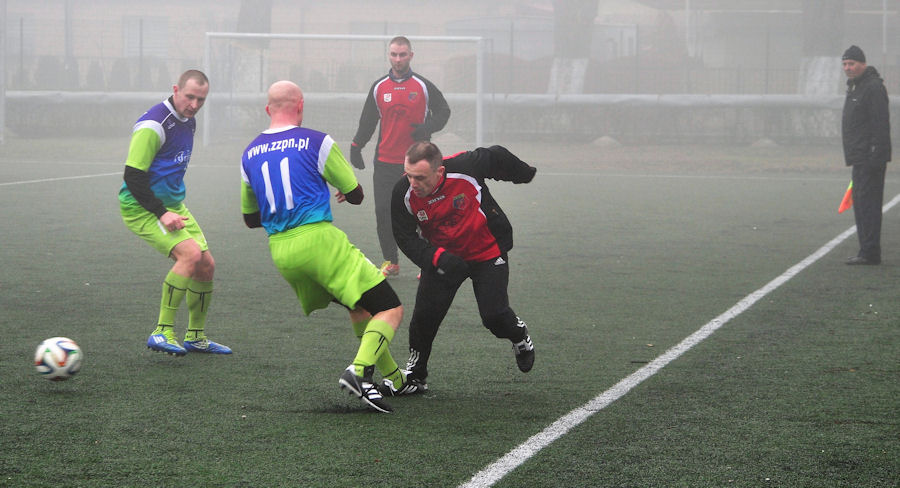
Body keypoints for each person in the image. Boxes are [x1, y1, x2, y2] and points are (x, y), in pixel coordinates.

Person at [240, 80, 418, 413]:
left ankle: (395, 378)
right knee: (390, 309)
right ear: (300, 105)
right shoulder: (316, 141)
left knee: (359, 306)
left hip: (281, 252)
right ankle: (359, 372)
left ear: (267, 109)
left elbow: (250, 219)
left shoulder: (249, 153)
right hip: (319, 243)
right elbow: (356, 194)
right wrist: (338, 191)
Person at [386, 141, 536, 394]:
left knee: (494, 317)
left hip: (488, 251)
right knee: (424, 319)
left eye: (420, 177)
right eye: (409, 175)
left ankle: (518, 335)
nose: (413, 183)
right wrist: (435, 258)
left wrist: (522, 173)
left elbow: (496, 155)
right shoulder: (403, 192)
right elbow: (405, 238)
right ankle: (416, 375)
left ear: (439, 171)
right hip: (444, 259)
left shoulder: (465, 166)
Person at [119, 69, 231, 356]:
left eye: (201, 100)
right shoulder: (153, 125)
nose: (194, 105)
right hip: (141, 207)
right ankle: (162, 331)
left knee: (206, 265)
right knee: (190, 254)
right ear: (175, 90)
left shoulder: (188, 119)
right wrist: (161, 213)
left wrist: (169, 209)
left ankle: (195, 337)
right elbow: (133, 176)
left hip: (172, 206)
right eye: (190, 97)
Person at [350, 36, 451, 277]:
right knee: (383, 212)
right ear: (389, 56)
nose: (398, 59)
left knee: (423, 213)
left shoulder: (423, 86)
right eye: (394, 54)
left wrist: (428, 127)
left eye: (402, 54)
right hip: (385, 162)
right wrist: (356, 145)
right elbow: (368, 121)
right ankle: (391, 261)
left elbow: (444, 111)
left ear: (410, 56)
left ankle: (427, 261)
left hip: (418, 164)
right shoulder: (379, 87)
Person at [841, 45, 892, 265]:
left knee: (869, 205)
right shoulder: (856, 87)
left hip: (869, 159)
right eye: (844, 64)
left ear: (863, 64)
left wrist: (874, 156)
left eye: (851, 63)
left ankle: (870, 253)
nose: (847, 68)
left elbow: (880, 124)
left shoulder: (872, 88)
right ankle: (866, 250)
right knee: (861, 204)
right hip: (859, 158)